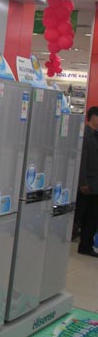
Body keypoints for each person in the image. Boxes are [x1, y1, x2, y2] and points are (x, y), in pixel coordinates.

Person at [77, 106, 98, 258]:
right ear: (93, 117)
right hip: (88, 184)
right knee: (87, 217)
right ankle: (84, 246)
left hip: (96, 184)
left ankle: (87, 244)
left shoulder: (96, 135)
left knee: (93, 218)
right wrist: (83, 182)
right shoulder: (85, 135)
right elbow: (82, 160)